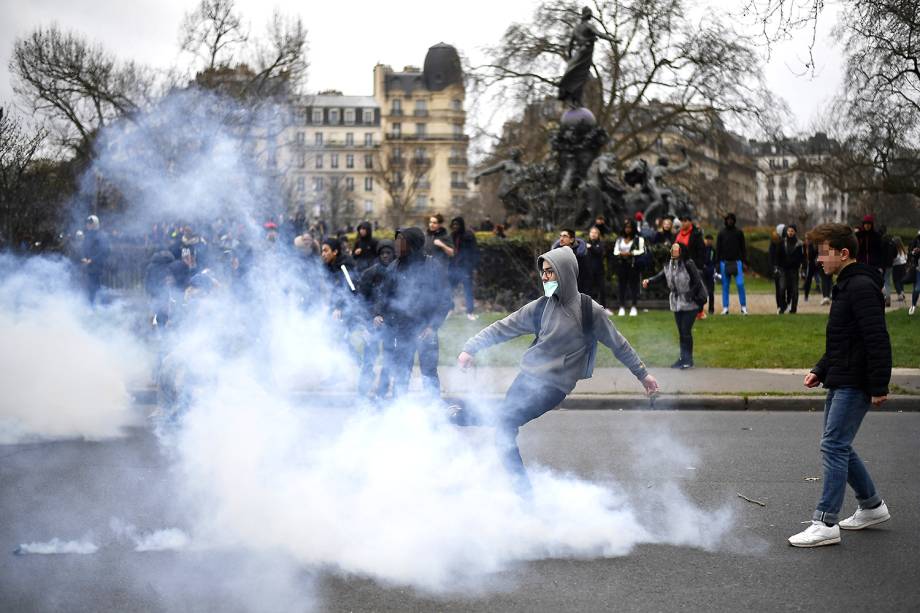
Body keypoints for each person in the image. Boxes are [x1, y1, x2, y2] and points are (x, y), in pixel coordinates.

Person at [456, 246, 658, 492]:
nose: (544, 277)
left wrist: (643, 375)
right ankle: (520, 493)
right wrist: (471, 348)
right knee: (503, 431)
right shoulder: (540, 307)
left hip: (553, 387)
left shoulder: (588, 311)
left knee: (504, 419)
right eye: (543, 272)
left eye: (550, 272)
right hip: (526, 378)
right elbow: (502, 327)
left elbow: (619, 344)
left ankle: (452, 414)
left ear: (565, 273)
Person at [789, 223, 892, 548]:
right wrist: (821, 369)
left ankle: (825, 522)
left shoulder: (859, 286)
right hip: (842, 375)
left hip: (855, 380)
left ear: (843, 253)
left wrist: (878, 385)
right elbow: (844, 338)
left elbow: (877, 338)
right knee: (838, 445)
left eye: (824, 252)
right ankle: (872, 506)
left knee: (833, 446)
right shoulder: (848, 285)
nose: (819, 259)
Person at [375, 227, 452, 398]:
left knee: (429, 374)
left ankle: (433, 413)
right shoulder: (394, 267)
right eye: (396, 240)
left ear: (413, 244)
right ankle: (398, 410)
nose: (396, 244)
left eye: (401, 241)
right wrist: (379, 313)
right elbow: (384, 295)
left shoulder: (432, 266)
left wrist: (432, 327)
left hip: (426, 330)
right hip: (402, 331)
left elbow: (445, 301)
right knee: (401, 373)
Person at [643, 242, 707, 369]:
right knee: (681, 332)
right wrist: (649, 281)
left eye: (677, 249)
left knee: (686, 331)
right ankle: (682, 358)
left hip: (690, 303)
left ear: (682, 250)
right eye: (673, 248)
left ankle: (688, 360)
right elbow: (661, 276)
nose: (674, 250)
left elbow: (697, 282)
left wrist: (690, 295)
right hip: (676, 302)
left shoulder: (688, 264)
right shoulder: (669, 264)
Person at [358, 241, 396, 398]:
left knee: (388, 358)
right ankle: (363, 389)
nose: (386, 256)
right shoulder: (369, 273)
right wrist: (370, 319)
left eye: (389, 253)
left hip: (391, 323)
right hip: (371, 323)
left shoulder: (398, 273)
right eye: (382, 253)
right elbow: (362, 300)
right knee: (369, 358)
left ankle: (382, 389)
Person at [715, 212, 748, 315]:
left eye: (731, 219)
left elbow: (743, 248)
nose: (729, 221)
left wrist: (744, 261)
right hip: (724, 262)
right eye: (728, 219)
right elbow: (718, 249)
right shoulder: (721, 233)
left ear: (734, 220)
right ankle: (725, 308)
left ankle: (743, 307)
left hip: (737, 262)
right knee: (725, 286)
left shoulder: (739, 232)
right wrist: (717, 264)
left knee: (740, 284)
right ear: (725, 221)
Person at [449, 216, 480, 320]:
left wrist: (472, 267)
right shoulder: (452, 236)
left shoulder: (468, 235)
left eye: (457, 224)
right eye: (453, 224)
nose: (455, 226)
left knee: (468, 290)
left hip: (466, 268)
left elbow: (474, 252)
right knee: (449, 289)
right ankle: (450, 309)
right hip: (454, 268)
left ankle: (470, 312)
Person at [613, 220, 646, 316]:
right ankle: (622, 306)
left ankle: (634, 306)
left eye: (630, 227)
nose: (628, 229)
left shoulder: (638, 239)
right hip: (622, 264)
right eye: (626, 227)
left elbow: (641, 250)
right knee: (621, 286)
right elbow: (615, 250)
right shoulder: (619, 239)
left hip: (633, 265)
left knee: (633, 286)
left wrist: (631, 253)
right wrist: (620, 253)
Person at [81, 215, 110, 304]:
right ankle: (92, 305)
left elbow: (105, 251)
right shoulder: (87, 236)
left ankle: (102, 305)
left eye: (91, 223)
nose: (88, 225)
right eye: (88, 223)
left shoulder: (102, 235)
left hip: (99, 267)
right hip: (89, 266)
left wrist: (92, 260)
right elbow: (84, 248)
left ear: (95, 224)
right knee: (91, 287)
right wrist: (83, 258)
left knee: (98, 287)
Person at [552, 228, 591, 294]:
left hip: (578, 290)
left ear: (572, 239)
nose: (561, 239)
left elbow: (585, 275)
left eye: (564, 236)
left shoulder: (580, 255)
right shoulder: (556, 253)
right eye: (560, 236)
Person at [777, 224, 804, 314]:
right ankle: (783, 306)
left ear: (795, 232)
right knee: (782, 288)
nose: (790, 233)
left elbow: (801, 257)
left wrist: (801, 267)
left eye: (792, 231)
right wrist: (778, 266)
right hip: (783, 269)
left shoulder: (799, 244)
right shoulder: (782, 242)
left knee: (795, 291)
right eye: (789, 231)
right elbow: (779, 255)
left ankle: (793, 309)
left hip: (794, 270)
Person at [584, 226, 608, 311]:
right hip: (588, 271)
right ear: (589, 234)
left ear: (598, 235)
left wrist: (590, 247)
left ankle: (604, 308)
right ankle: (588, 308)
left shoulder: (600, 244)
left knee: (602, 289)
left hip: (599, 271)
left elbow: (599, 252)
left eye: (595, 233)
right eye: (592, 232)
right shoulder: (585, 244)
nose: (593, 234)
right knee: (588, 290)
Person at [769, 225, 785, 313]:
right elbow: (771, 255)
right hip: (777, 268)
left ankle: (783, 304)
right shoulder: (774, 241)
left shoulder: (785, 241)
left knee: (783, 287)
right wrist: (773, 267)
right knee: (779, 288)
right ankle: (779, 305)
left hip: (784, 267)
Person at [702, 234, 716, 317]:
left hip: (710, 273)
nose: (708, 241)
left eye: (710, 240)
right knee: (702, 292)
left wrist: (712, 268)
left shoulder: (713, 250)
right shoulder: (702, 249)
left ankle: (711, 309)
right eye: (707, 239)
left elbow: (714, 261)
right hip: (703, 272)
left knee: (711, 292)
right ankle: (700, 309)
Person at [890, 236, 908, 303]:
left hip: (896, 266)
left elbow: (895, 258)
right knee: (901, 280)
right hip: (903, 266)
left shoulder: (895, 250)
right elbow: (906, 257)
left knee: (896, 281)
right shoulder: (903, 249)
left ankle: (900, 294)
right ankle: (902, 292)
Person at [909, 229, 920, 315]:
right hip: (918, 269)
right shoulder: (915, 242)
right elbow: (911, 253)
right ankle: (913, 305)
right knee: (916, 289)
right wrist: (914, 252)